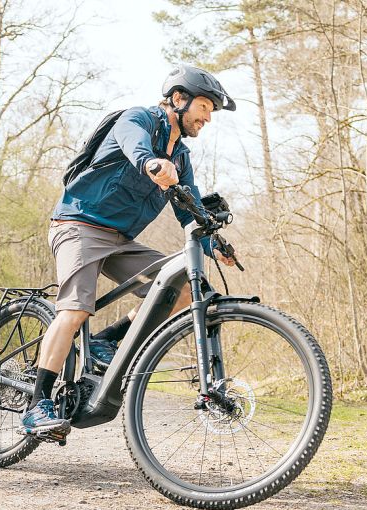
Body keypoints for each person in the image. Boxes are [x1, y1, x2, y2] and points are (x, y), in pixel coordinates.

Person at [20, 66, 237, 437]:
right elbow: (133, 144)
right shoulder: (137, 119)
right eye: (204, 106)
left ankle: (107, 341)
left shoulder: (181, 158)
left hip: (121, 240)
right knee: (74, 310)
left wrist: (213, 244)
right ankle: (37, 404)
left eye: (211, 112)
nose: (207, 118)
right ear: (179, 99)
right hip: (78, 226)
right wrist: (151, 162)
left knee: (182, 289)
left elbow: (190, 212)